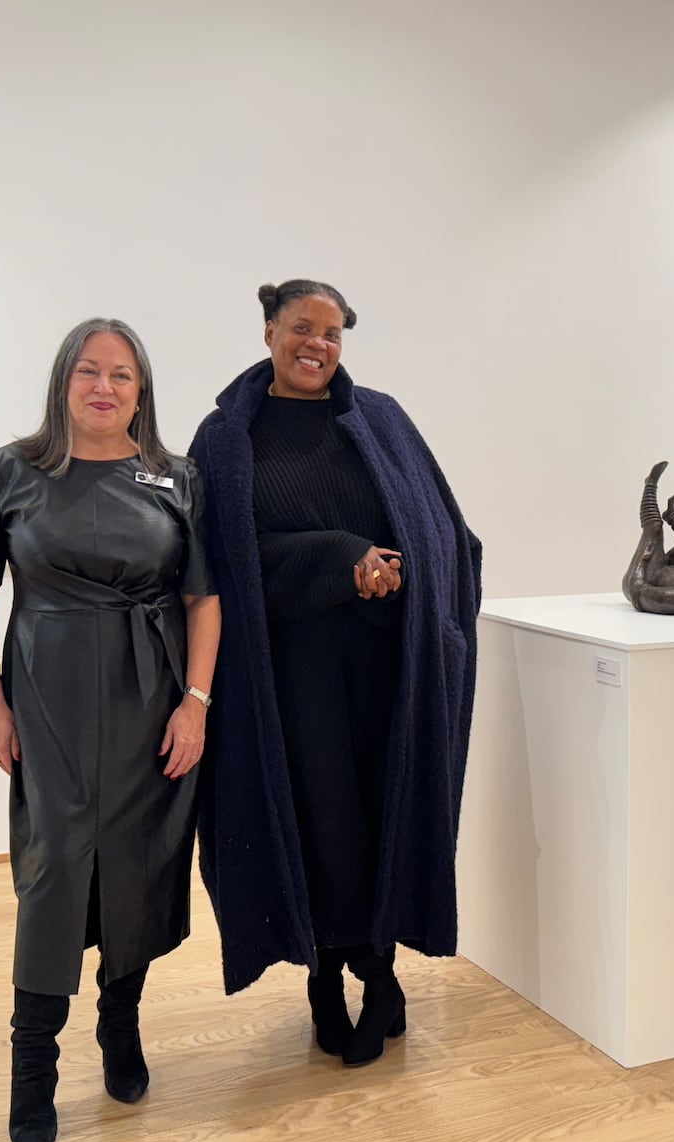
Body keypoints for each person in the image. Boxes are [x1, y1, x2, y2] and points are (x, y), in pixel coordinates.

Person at [190, 279, 480, 1067]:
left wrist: (399, 572)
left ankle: (381, 974)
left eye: (332, 333)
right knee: (322, 828)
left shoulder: (379, 419)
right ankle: (324, 981)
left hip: (388, 660)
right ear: (268, 332)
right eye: (300, 328)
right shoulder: (226, 440)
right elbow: (219, 563)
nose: (316, 344)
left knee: (387, 814)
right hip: (288, 675)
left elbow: (442, 529)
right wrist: (338, 559)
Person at [0, 318, 220, 1142]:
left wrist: (197, 703)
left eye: (124, 376)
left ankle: (121, 1025)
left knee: (137, 866)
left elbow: (202, 601)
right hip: (49, 704)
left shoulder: (177, 480)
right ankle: (31, 1069)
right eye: (90, 372)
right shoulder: (14, 470)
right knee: (53, 871)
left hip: (152, 705)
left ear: (142, 393)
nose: (105, 387)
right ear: (64, 381)